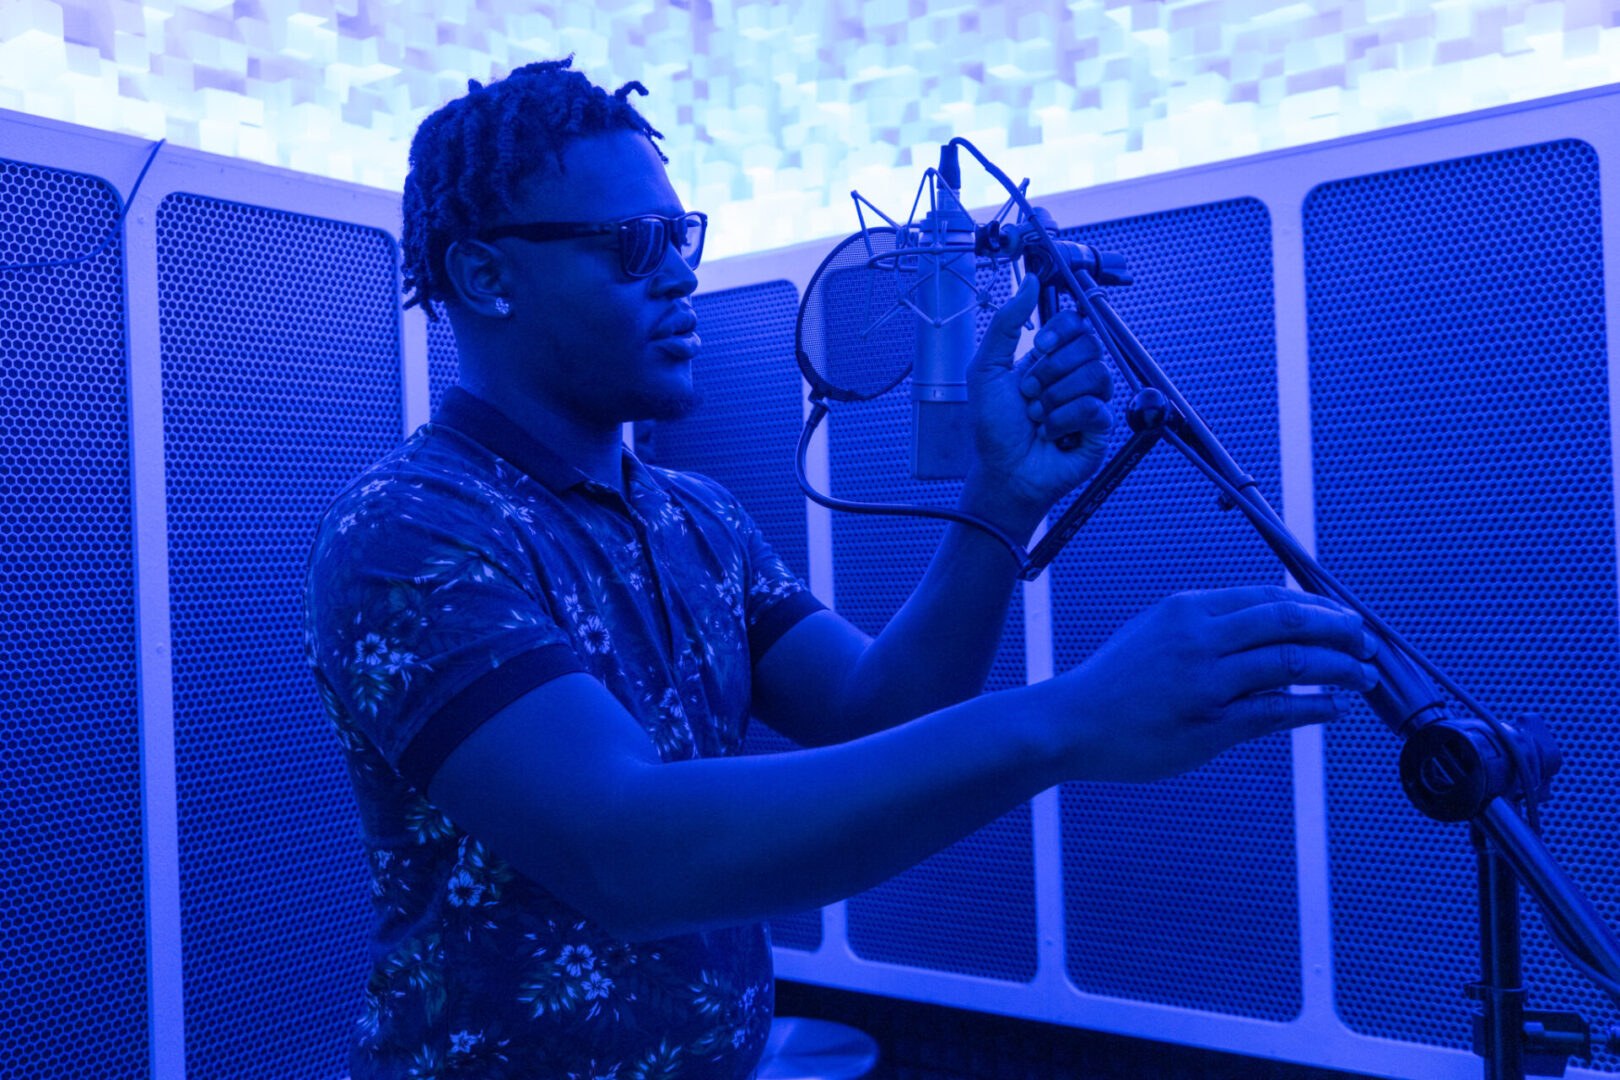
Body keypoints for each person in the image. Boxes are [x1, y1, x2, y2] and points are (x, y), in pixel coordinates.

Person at [303, 57, 1379, 1080]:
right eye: (633, 243)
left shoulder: (699, 519)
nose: (680, 272)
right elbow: (627, 854)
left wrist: (997, 503)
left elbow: (878, 710)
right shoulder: (411, 531)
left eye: (682, 233)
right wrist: (1071, 719)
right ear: (485, 273)